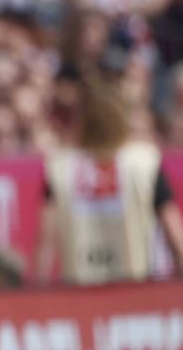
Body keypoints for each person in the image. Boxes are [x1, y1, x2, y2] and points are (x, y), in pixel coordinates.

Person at [38, 70, 183, 284]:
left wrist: (39, 289)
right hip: (136, 287)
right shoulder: (144, 162)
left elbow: (47, 240)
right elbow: (174, 231)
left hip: (79, 288)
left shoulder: (61, 166)